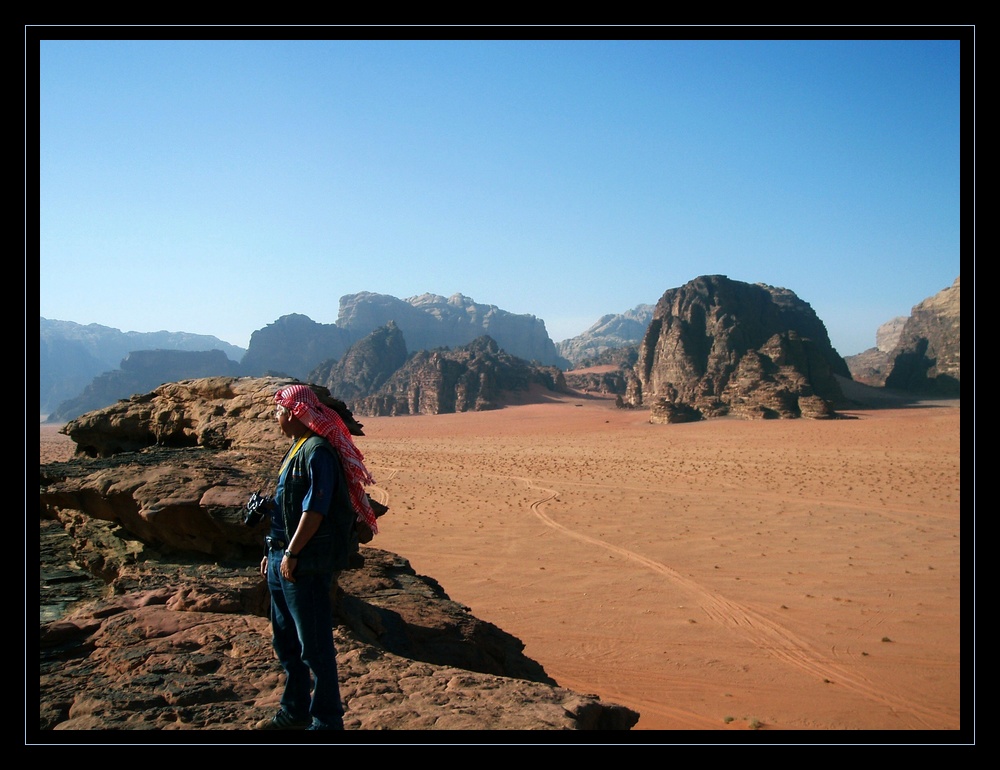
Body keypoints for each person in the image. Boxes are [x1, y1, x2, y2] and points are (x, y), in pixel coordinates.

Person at [254, 384, 379, 731]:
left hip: (304, 564)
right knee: (286, 642)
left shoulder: (318, 452)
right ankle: (294, 709)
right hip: (282, 559)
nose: (276, 418)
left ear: (295, 413)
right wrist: (273, 548)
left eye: (279, 411)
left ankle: (326, 720)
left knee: (315, 646)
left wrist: (292, 552)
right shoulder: (298, 449)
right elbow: (285, 508)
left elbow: (315, 509)